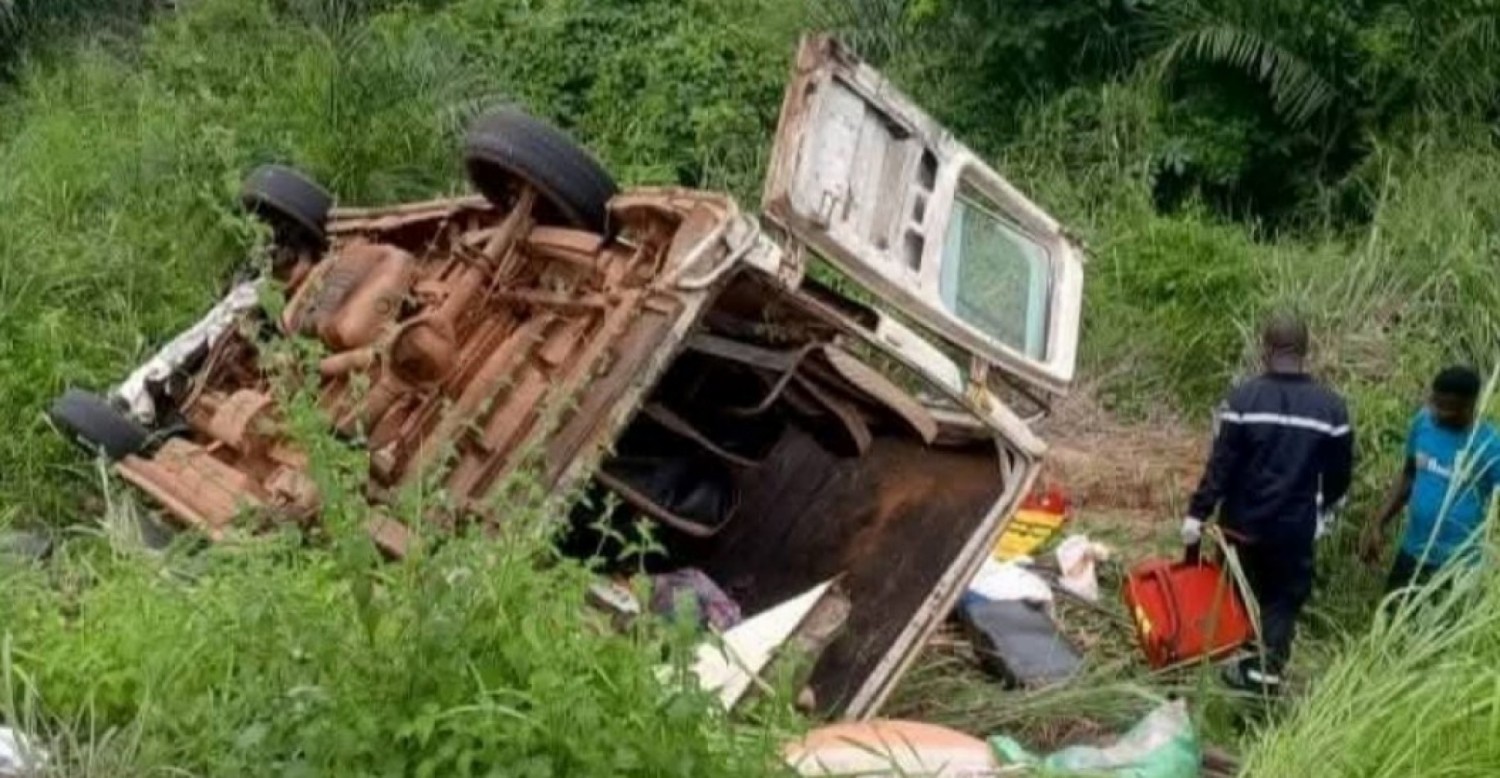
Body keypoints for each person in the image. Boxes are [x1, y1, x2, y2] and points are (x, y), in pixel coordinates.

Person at [1181, 313, 1354, 693]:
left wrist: (1197, 513)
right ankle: (1263, 676)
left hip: (1241, 527)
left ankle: (1240, 668)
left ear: (1266, 348)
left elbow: (1221, 465)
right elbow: (1340, 474)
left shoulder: (1243, 399)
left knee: (1237, 596)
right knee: (1282, 602)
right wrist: (1323, 511)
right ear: (1306, 350)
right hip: (1293, 530)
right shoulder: (1332, 408)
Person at [1362, 366, 1498, 603]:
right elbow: (1408, 476)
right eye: (1435, 403)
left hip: (1459, 565)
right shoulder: (1423, 424)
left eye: (1446, 408)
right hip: (1413, 551)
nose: (1436, 412)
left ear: (1469, 406)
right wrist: (1379, 523)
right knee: (1391, 615)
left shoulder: (1490, 445)